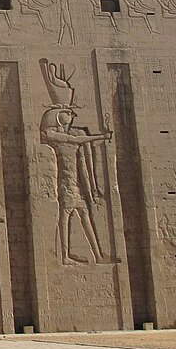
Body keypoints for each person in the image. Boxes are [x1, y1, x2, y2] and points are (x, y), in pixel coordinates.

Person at [40, 107, 112, 266]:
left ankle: (97, 255)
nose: (71, 116)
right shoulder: (53, 136)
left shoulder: (69, 136)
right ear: (57, 117)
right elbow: (75, 140)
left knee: (83, 216)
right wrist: (101, 136)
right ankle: (65, 255)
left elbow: (82, 159)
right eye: (68, 113)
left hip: (74, 184)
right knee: (66, 217)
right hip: (65, 184)